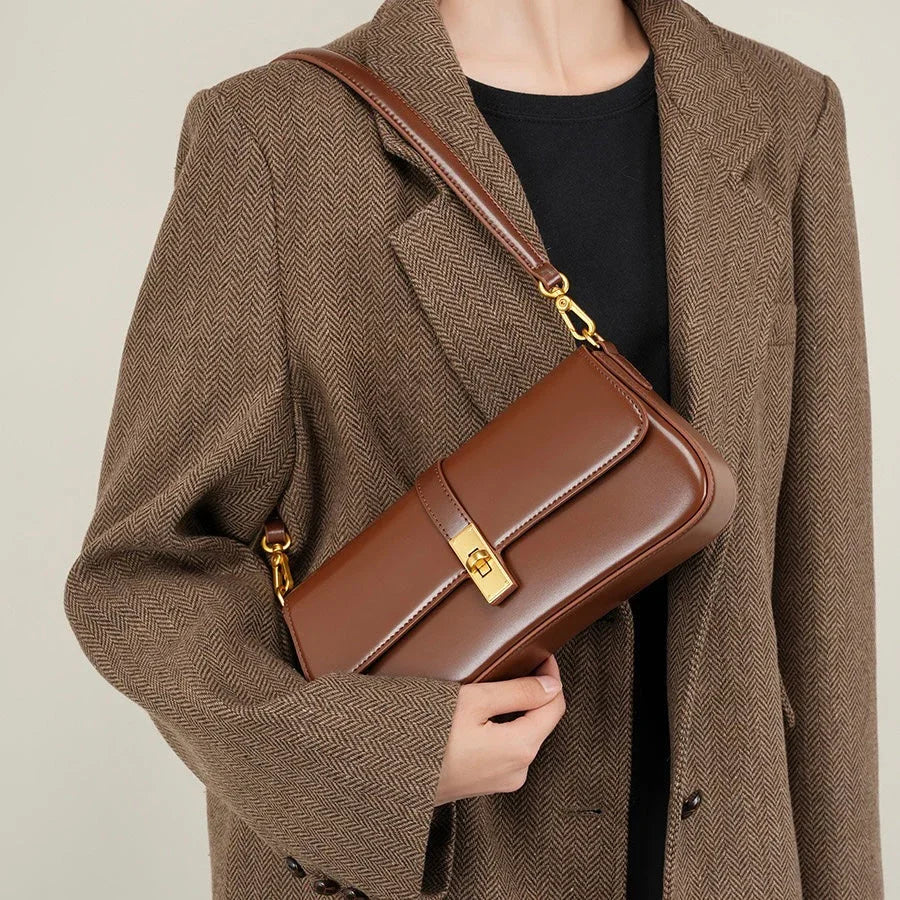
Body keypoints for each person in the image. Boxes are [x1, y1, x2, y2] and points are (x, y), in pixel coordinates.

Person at [64, 0, 882, 898]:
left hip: (723, 860)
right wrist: (385, 758)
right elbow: (141, 578)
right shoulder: (273, 139)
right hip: (446, 865)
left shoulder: (783, 114)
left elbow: (821, 573)